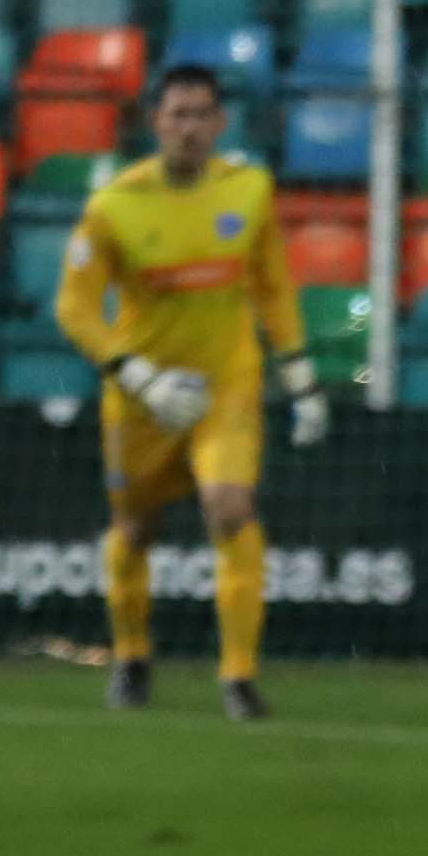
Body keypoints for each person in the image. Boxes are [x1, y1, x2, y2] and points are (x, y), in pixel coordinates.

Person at [58, 65, 330, 721]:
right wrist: (138, 376)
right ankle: (131, 658)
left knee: (230, 509)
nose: (188, 127)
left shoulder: (250, 191)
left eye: (200, 114)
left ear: (219, 123)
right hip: (142, 400)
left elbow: (272, 286)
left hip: (224, 387)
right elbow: (75, 308)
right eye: (176, 114)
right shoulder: (113, 206)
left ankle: (238, 676)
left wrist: (299, 374)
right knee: (135, 529)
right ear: (155, 123)